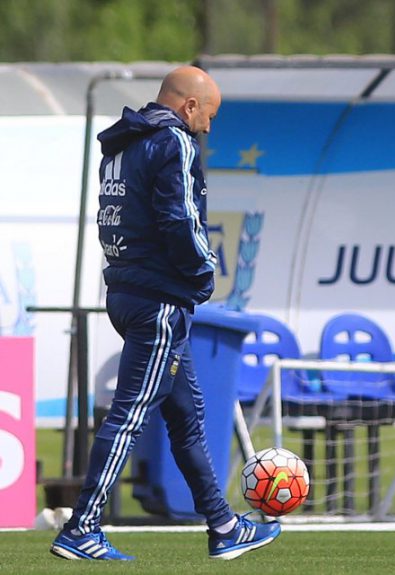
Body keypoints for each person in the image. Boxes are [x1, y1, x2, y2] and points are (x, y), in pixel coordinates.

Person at [50, 66, 279, 561]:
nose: (209, 127)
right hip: (159, 301)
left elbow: (114, 220)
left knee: (186, 417)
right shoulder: (173, 141)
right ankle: (81, 527)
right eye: (209, 115)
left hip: (127, 290)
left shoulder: (121, 145)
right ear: (189, 106)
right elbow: (181, 219)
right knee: (130, 415)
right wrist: (203, 274)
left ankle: (223, 526)